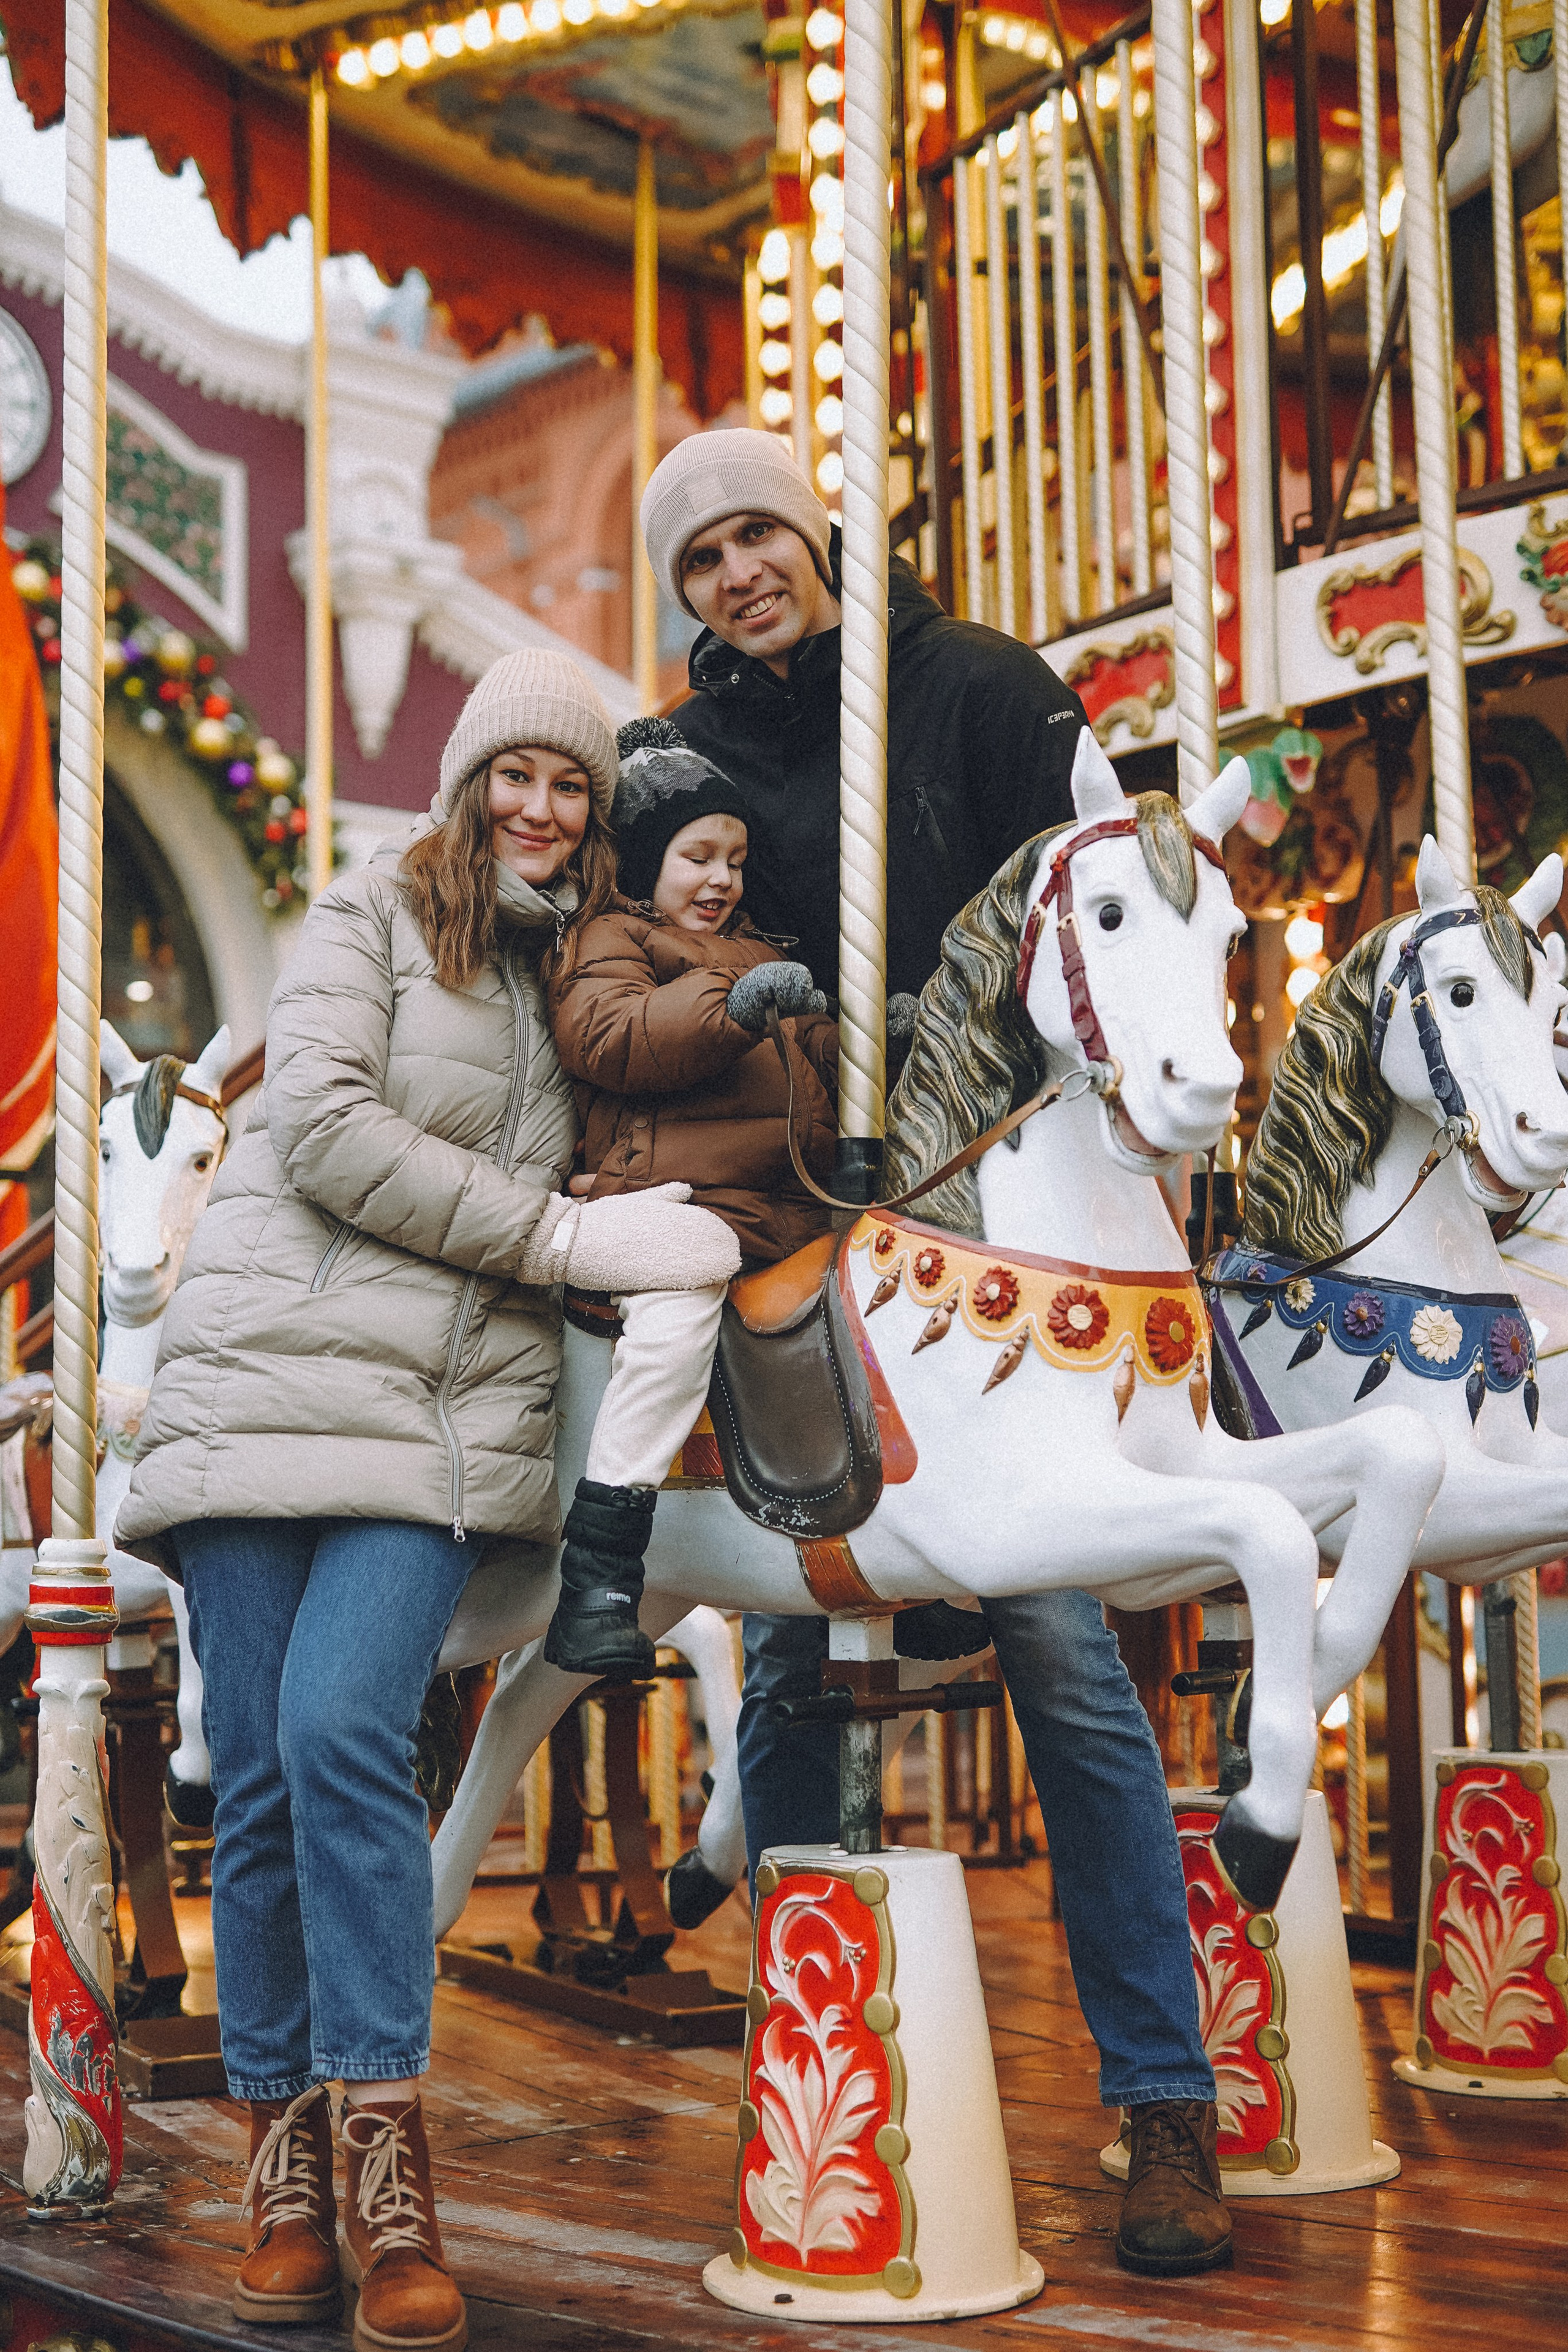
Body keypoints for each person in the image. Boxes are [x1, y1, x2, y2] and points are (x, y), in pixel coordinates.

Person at [639, 429, 1231, 2280]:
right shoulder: (684, 759)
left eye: (758, 533)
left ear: (817, 536)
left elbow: (1107, 905)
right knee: (791, 1620)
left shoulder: (974, 685)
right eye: (700, 558)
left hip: (989, 1209)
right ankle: (808, 2041)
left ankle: (1163, 2093)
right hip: (806, 1196)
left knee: (1060, 1636)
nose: (738, 573)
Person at [116, 651, 739, 2351]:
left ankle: (391, 2167)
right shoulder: (369, 914)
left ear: (596, 815)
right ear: (469, 786)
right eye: (513, 776)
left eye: (570, 786)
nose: (538, 808)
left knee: (341, 1732)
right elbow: (319, 1127)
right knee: (257, 1774)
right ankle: (286, 2175)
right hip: (264, 1376)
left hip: (439, 1411)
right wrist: (553, 1234)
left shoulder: (594, 973)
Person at [539, 719, 839, 1677]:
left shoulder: (748, 950)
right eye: (697, 856)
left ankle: (883, 1532)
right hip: (668, 1202)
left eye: (735, 861)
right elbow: (612, 1037)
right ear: (642, 861)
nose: (721, 879)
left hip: (778, 1207)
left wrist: (874, 1039)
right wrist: (731, 1009)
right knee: (674, 1325)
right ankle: (600, 1571)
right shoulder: (609, 939)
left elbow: (810, 1057)